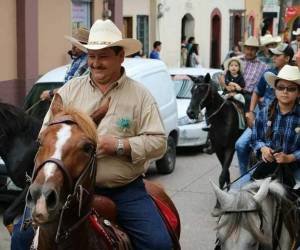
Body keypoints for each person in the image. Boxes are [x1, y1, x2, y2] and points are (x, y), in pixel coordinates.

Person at [11, 19, 173, 250]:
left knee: (158, 245)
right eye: (92, 55)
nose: (95, 63)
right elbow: (45, 134)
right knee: (21, 239)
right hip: (67, 188)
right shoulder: (69, 90)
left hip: (123, 190)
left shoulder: (140, 96)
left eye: (103, 56)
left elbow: (158, 143)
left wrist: (118, 145)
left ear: (121, 56)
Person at [235, 43, 294, 176]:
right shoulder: (269, 73)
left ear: (287, 58)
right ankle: (244, 176)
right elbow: (257, 92)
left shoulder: (294, 76)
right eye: (280, 87)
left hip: (283, 121)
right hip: (263, 119)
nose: (274, 57)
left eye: (278, 55)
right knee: (240, 145)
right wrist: (250, 112)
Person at [251, 65, 300, 187]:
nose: (285, 91)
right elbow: (255, 139)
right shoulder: (263, 113)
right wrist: (263, 149)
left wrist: (289, 158)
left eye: (291, 88)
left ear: (298, 93)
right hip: (267, 166)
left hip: (294, 167)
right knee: (242, 191)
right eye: (281, 87)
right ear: (275, 90)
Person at [40, 27, 89, 101]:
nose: (73, 47)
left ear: (83, 46)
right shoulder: (77, 60)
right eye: (73, 44)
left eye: (76, 46)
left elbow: (72, 86)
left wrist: (50, 93)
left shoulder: (86, 62)